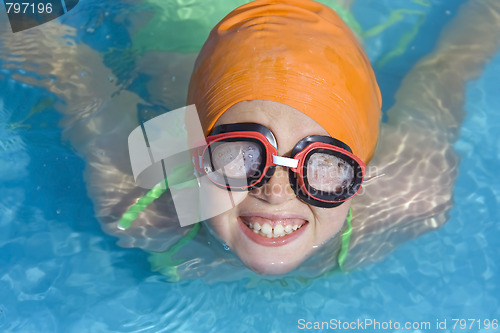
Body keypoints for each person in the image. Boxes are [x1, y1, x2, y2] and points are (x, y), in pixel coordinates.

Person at [4, 0, 499, 280]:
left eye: (324, 164)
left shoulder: (411, 198)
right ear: (193, 150)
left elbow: (448, 69)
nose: (276, 191)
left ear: (362, 175)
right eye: (243, 154)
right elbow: (59, 62)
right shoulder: (141, 201)